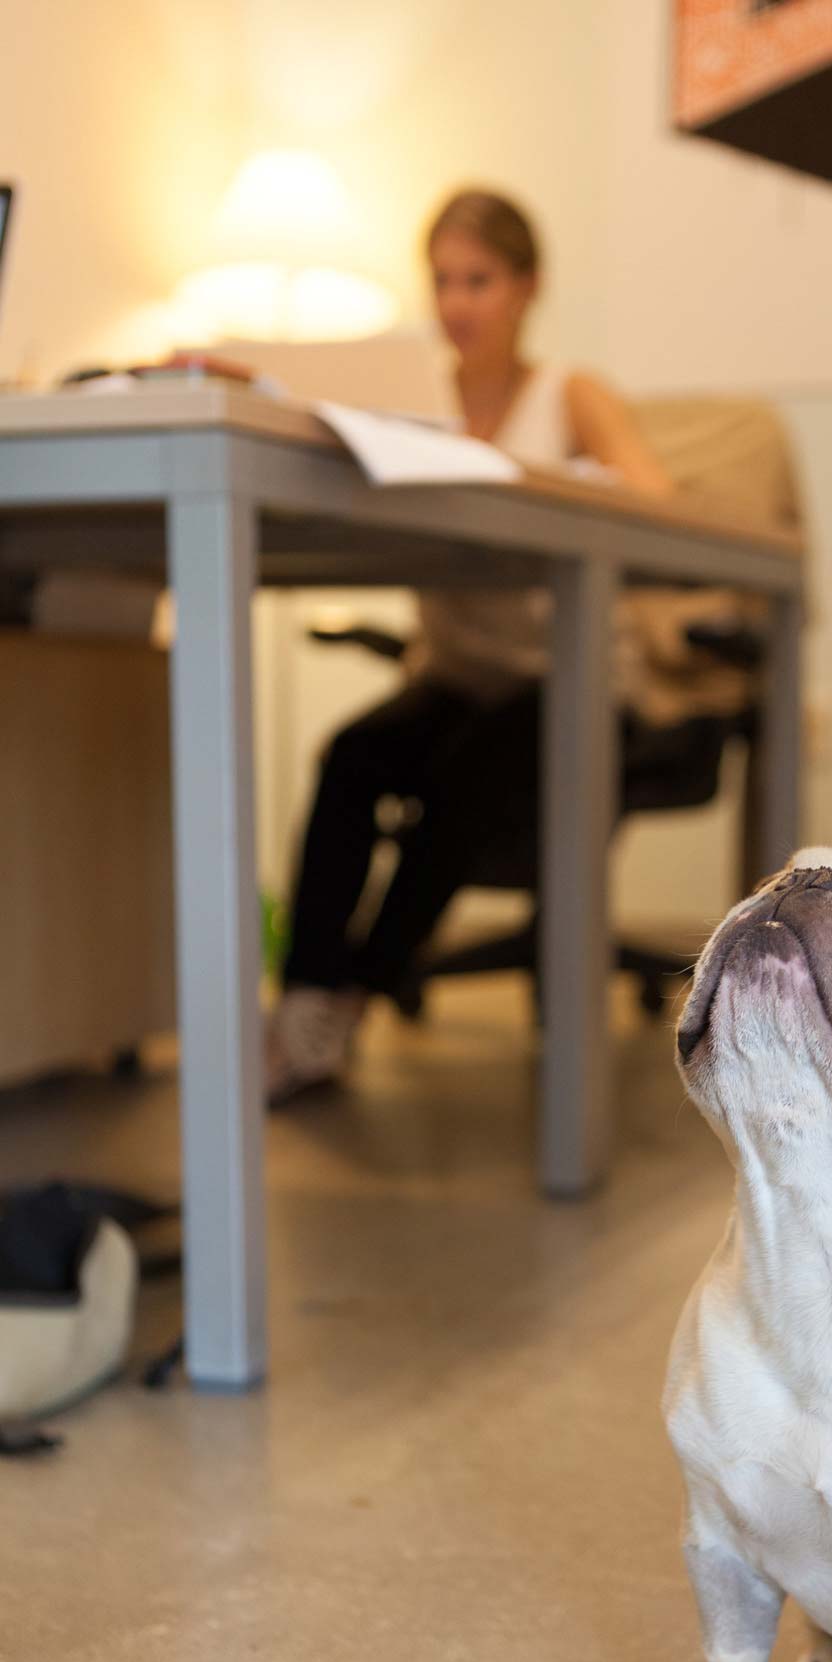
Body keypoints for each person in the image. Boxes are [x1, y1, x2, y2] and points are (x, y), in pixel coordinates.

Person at [265, 188, 674, 1104]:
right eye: (443, 282)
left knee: (460, 780)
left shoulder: (570, 392)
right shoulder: (409, 403)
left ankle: (357, 1000)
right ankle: (302, 1002)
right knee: (350, 756)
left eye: (478, 281)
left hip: (566, 678)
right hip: (458, 672)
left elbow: (655, 504)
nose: (456, 304)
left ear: (526, 288)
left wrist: (551, 485)